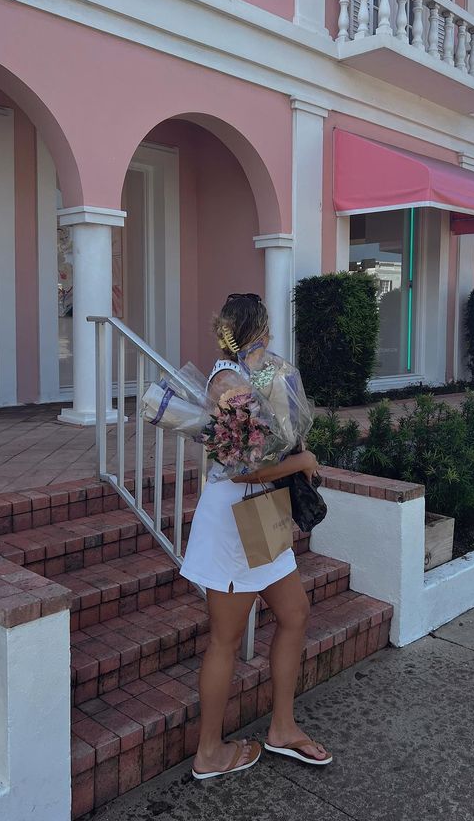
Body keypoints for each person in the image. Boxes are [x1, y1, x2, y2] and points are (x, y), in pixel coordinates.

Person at [180, 293, 332, 779]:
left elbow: (270, 444)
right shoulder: (228, 385)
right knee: (224, 640)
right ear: (259, 331)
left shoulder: (253, 377)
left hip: (262, 517)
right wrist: (303, 461)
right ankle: (208, 752)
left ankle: (282, 728)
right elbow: (243, 471)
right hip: (232, 524)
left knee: (295, 613)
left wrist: (295, 439)